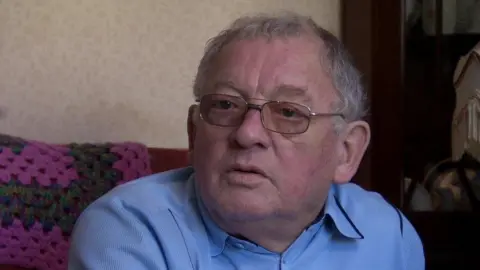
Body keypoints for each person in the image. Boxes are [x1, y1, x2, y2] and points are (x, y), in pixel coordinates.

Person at [68, 12, 425, 270]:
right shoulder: (127, 230)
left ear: (346, 152)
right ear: (194, 134)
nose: (247, 133)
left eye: (288, 112)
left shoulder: (388, 235)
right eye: (225, 105)